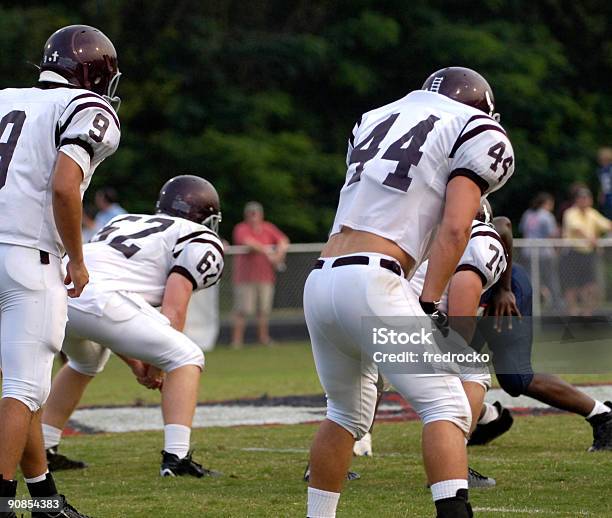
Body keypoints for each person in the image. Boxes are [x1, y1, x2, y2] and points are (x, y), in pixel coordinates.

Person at [304, 66, 514, 518]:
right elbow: (459, 226)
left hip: (321, 277)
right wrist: (427, 300)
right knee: (449, 405)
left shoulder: (374, 117)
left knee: (344, 415)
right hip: (376, 279)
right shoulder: (473, 126)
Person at [0, 24, 121, 518]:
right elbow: (65, 186)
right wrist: (77, 255)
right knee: (25, 388)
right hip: (29, 255)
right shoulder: (89, 107)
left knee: (21, 387)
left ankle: (45, 497)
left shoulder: (7, 96)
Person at [41, 176, 224, 478]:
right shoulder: (198, 237)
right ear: (204, 216)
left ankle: (46, 447)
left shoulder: (124, 221)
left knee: (87, 360)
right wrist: (157, 366)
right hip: (101, 298)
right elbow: (173, 309)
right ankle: (176, 459)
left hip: (61, 290)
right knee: (187, 356)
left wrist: (140, 364)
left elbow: (110, 322)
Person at [466, 217, 612, 451]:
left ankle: (603, 416)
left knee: (516, 376)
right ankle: (488, 417)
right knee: (443, 367)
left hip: (501, 291)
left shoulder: (447, 207)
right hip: (469, 294)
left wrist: (503, 289)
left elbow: (503, 224)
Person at [231, 202, 289, 346]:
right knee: (242, 310)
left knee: (263, 310)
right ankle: (237, 341)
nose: (253, 217)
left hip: (265, 277)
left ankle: (263, 338)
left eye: (256, 213)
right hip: (245, 277)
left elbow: (283, 240)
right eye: (251, 214)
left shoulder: (268, 228)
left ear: (261, 215)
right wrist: (268, 252)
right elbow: (248, 242)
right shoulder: (241, 228)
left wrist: (279, 254)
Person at [561, 187, 611, 315]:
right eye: (581, 198)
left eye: (586, 198)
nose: (584, 200)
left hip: (588, 254)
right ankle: (572, 311)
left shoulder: (592, 213)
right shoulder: (570, 213)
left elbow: (607, 224)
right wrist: (590, 238)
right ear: (576, 200)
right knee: (571, 284)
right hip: (572, 253)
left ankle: (587, 311)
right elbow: (576, 228)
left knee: (589, 284)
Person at [518, 192, 563, 310]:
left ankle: (530, 304)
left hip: (528, 251)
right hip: (544, 252)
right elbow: (552, 235)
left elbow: (523, 231)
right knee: (551, 279)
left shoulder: (527, 214)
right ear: (547, 203)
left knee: (531, 279)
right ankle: (556, 305)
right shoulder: (546, 216)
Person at [596, 147, 612, 219]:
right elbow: (602, 184)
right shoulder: (601, 170)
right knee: (607, 214)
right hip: (606, 195)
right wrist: (601, 194)